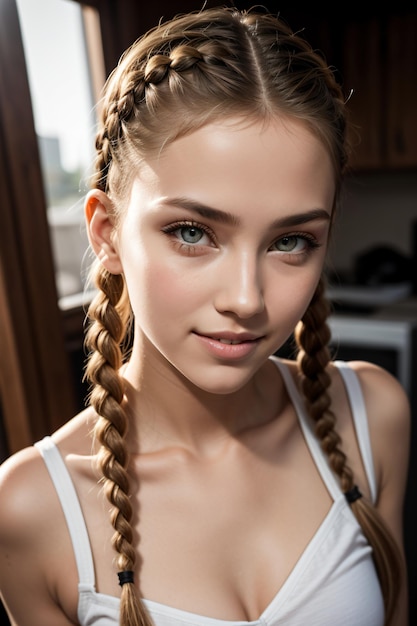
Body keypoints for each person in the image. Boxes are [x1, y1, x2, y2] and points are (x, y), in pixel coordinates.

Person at [0, 6, 410, 626]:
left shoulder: (371, 418)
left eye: (290, 241)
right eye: (192, 232)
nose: (246, 299)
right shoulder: (30, 510)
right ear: (107, 234)